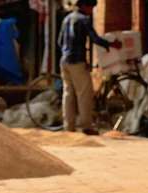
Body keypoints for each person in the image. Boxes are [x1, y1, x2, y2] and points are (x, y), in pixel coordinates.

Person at [57, 0, 122, 135]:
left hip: (64, 61)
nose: (91, 11)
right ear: (86, 6)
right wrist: (111, 45)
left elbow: (59, 41)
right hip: (77, 61)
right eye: (91, 7)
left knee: (68, 93)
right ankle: (86, 126)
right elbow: (95, 39)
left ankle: (69, 127)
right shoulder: (83, 20)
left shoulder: (67, 19)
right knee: (84, 94)